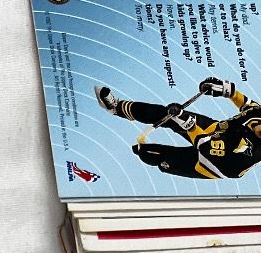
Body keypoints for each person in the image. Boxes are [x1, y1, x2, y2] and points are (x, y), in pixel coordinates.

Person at [95, 77, 261, 182]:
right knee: (166, 114)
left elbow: (205, 146)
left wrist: (187, 123)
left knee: (150, 154)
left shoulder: (248, 152)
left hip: (210, 163)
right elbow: (249, 105)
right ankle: (116, 108)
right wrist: (228, 91)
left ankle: (150, 155)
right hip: (220, 130)